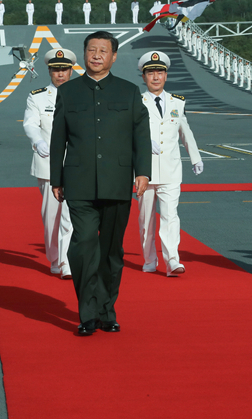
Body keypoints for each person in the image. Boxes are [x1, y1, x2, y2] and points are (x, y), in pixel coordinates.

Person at [49, 31, 151, 336]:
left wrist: (142, 173)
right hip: (79, 184)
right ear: (83, 54)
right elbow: (58, 140)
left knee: (110, 251)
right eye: (91, 50)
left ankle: (107, 310)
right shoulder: (68, 92)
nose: (96, 55)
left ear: (114, 56)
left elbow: (140, 136)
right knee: (83, 248)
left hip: (118, 183)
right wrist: (57, 178)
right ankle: (88, 312)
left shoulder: (129, 92)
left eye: (103, 50)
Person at [136, 51, 202, 277]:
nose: (156, 77)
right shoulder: (136, 102)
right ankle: (149, 259)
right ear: (144, 76)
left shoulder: (177, 102)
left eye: (160, 72)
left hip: (172, 170)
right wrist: (144, 142)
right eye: (151, 73)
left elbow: (186, 132)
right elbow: (125, 133)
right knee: (146, 221)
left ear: (166, 75)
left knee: (170, 216)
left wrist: (196, 157)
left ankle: (172, 259)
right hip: (144, 171)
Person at [23, 48, 76, 280]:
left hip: (76, 163)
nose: (60, 74)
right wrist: (37, 142)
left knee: (70, 214)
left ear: (71, 71)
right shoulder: (37, 96)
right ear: (49, 71)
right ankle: (54, 257)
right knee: (51, 215)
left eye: (64, 69)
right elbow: (30, 124)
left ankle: (66, 260)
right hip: (47, 163)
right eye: (56, 69)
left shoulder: (81, 94)